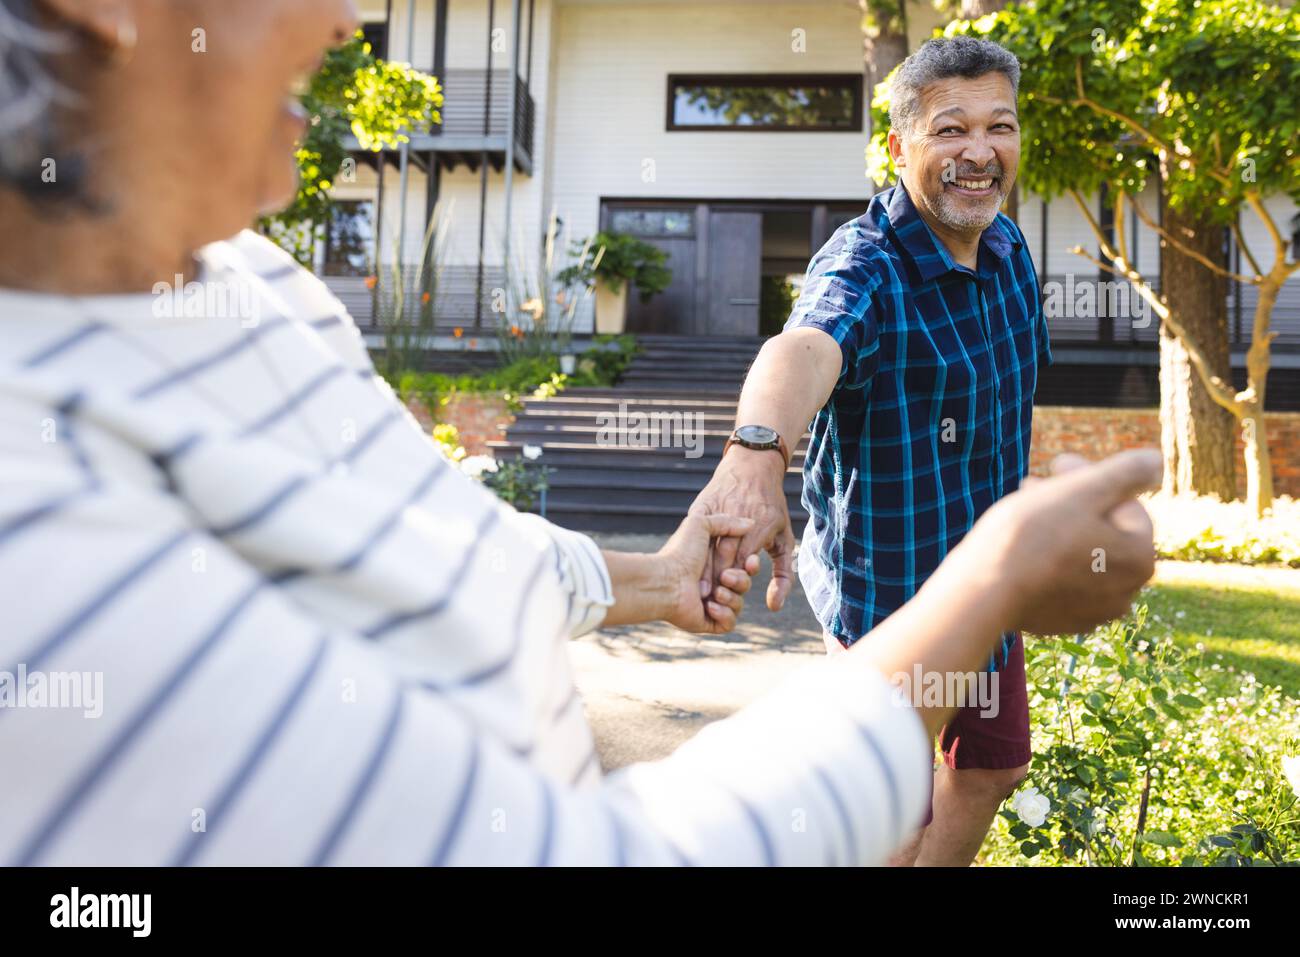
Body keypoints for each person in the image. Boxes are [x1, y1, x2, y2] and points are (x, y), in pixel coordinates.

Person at [0, 0, 1160, 866]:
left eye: (996, 126)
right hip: (904, 588)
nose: (348, 15)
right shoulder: (38, 537)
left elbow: (437, 541)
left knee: (985, 765)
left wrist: (654, 580)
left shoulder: (239, 280)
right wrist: (992, 579)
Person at [691, 37, 1063, 865]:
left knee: (993, 765)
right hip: (888, 598)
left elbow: (1009, 402)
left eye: (998, 127)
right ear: (901, 148)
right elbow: (803, 348)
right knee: (893, 815)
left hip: (983, 582)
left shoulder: (1009, 251)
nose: (979, 152)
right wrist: (757, 455)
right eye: (949, 130)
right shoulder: (867, 266)